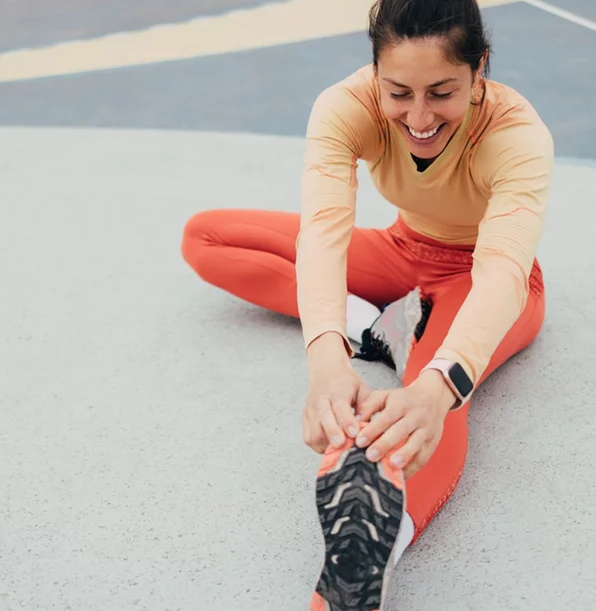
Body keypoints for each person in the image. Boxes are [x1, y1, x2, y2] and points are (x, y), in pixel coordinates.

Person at [181, 0, 553, 607]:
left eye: (442, 93)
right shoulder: (345, 106)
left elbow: (502, 273)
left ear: (479, 68)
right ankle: (377, 329)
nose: (420, 117)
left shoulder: (516, 135)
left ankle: (370, 559)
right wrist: (328, 360)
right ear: (375, 71)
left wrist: (438, 386)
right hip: (403, 250)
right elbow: (324, 233)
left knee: (428, 409)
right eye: (398, 93)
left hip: (482, 282)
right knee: (207, 237)